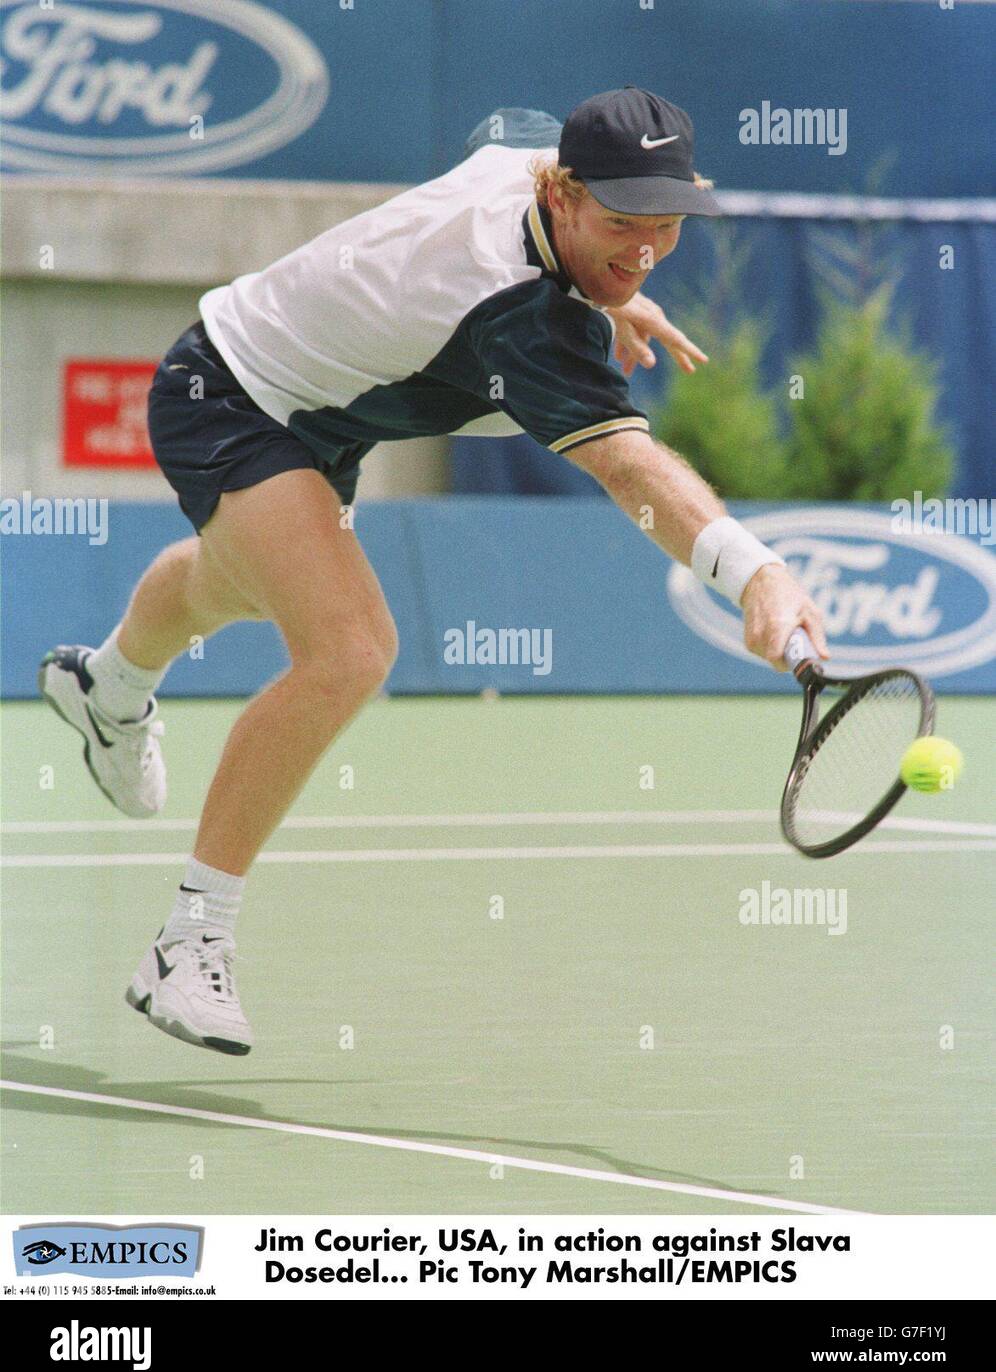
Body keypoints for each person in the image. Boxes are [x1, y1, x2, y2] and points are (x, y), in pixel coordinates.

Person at [39, 87, 828, 1055]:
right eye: (624, 225)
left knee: (233, 582)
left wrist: (615, 279)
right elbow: (627, 467)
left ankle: (107, 686)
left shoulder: (539, 164)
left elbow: (502, 122)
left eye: (668, 224)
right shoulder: (518, 314)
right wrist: (755, 574)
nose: (649, 245)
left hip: (325, 399)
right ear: (563, 193)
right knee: (352, 649)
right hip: (230, 393)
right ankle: (187, 940)